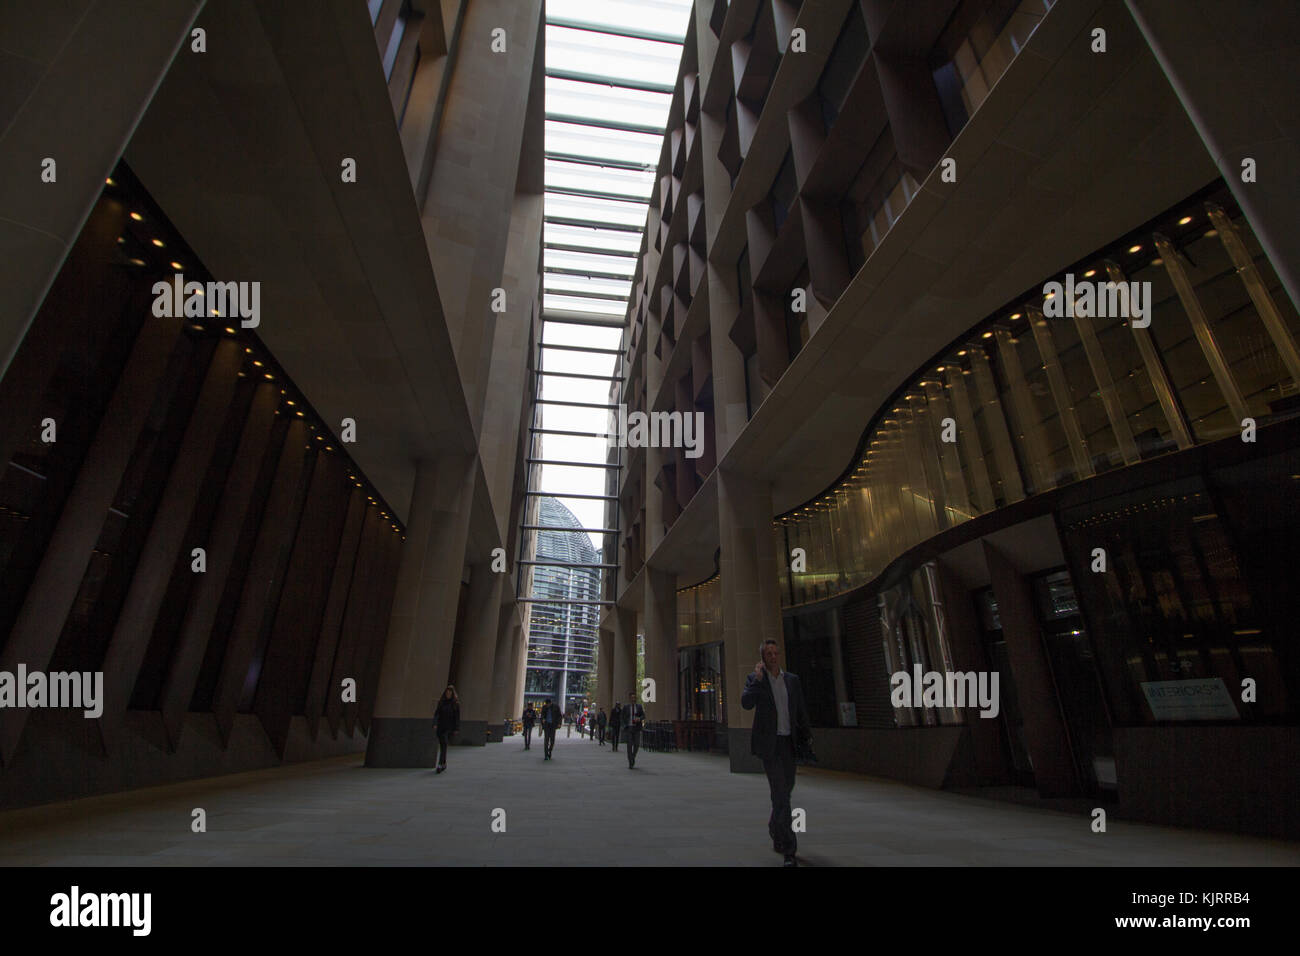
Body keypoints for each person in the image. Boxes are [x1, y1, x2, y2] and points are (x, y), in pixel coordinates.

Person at [741, 639, 813, 867]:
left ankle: (775, 825)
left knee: (785, 792)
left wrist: (807, 735)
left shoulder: (792, 680)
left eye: (775, 653)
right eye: (768, 654)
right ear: (762, 658)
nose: (772, 657)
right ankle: (789, 850)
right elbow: (745, 703)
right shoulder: (756, 680)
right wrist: (757, 680)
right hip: (769, 745)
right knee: (781, 794)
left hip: (788, 743)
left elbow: (800, 710)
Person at [433, 685, 460, 773]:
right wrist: (435, 723)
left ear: (452, 694)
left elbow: (457, 717)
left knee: (444, 744)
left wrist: (456, 728)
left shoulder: (455, 704)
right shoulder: (441, 703)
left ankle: (440, 764)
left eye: (450, 693)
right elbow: (437, 713)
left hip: (448, 728)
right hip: (440, 726)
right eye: (447, 693)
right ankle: (443, 763)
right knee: (443, 745)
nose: (448, 694)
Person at [621, 692, 645, 769]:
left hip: (637, 728)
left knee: (637, 744)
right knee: (629, 745)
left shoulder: (639, 706)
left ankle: (633, 757)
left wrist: (639, 718)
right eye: (632, 697)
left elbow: (643, 715)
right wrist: (624, 725)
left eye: (634, 697)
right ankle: (630, 762)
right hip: (629, 727)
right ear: (629, 698)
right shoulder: (626, 707)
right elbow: (622, 717)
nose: (633, 699)